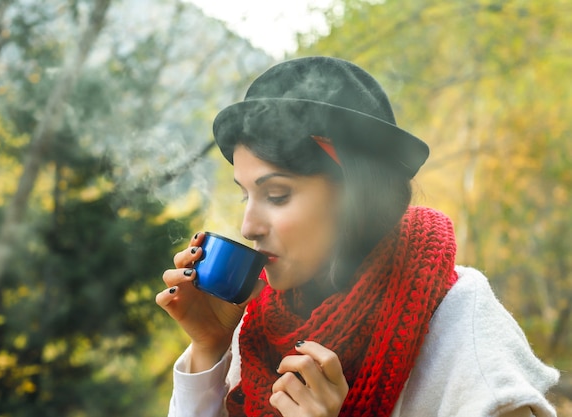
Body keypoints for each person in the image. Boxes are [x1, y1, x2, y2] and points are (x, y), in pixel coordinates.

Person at [156, 56, 559, 417]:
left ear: (356, 195)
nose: (248, 226)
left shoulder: (459, 322)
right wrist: (208, 347)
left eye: (276, 195)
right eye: (245, 195)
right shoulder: (258, 329)